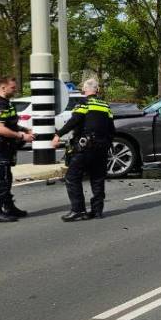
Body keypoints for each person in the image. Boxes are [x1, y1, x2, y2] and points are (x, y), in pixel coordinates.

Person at [53, 78, 115, 221]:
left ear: (85, 90)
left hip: (86, 147)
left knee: (72, 177)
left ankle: (78, 210)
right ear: (97, 90)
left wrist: (58, 134)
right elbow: (112, 129)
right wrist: (106, 144)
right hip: (102, 148)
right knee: (97, 179)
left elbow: (74, 121)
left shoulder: (84, 103)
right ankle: (97, 211)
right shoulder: (105, 106)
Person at [0, 76, 34, 223]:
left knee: (7, 178)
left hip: (6, 146)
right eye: (13, 87)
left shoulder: (7, 103)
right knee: (1, 179)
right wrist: (22, 136)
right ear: (3, 88)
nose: (16, 89)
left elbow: (10, 124)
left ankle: (9, 207)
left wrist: (25, 129)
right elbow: (0, 129)